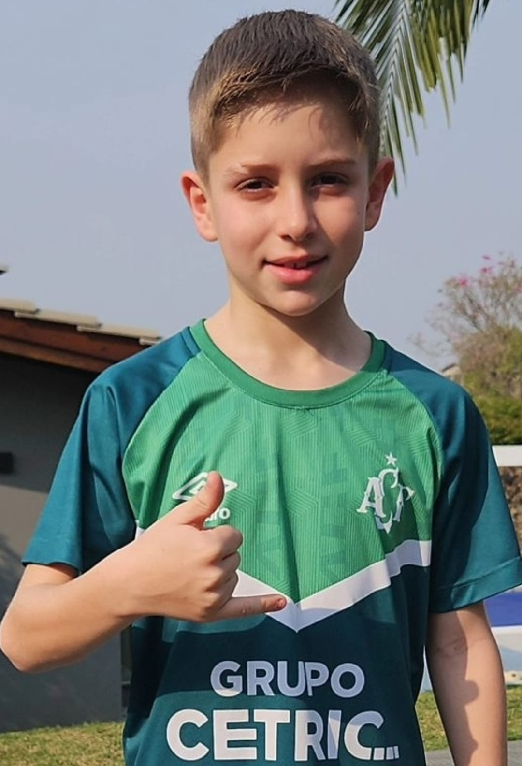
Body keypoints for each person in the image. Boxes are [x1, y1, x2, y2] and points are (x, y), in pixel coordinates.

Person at [1, 9, 521, 766]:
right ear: (203, 202)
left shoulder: (435, 414)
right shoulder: (131, 401)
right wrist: (128, 584)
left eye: (329, 180)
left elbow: (459, 639)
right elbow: (25, 637)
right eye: (255, 184)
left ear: (375, 192)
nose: (295, 220)